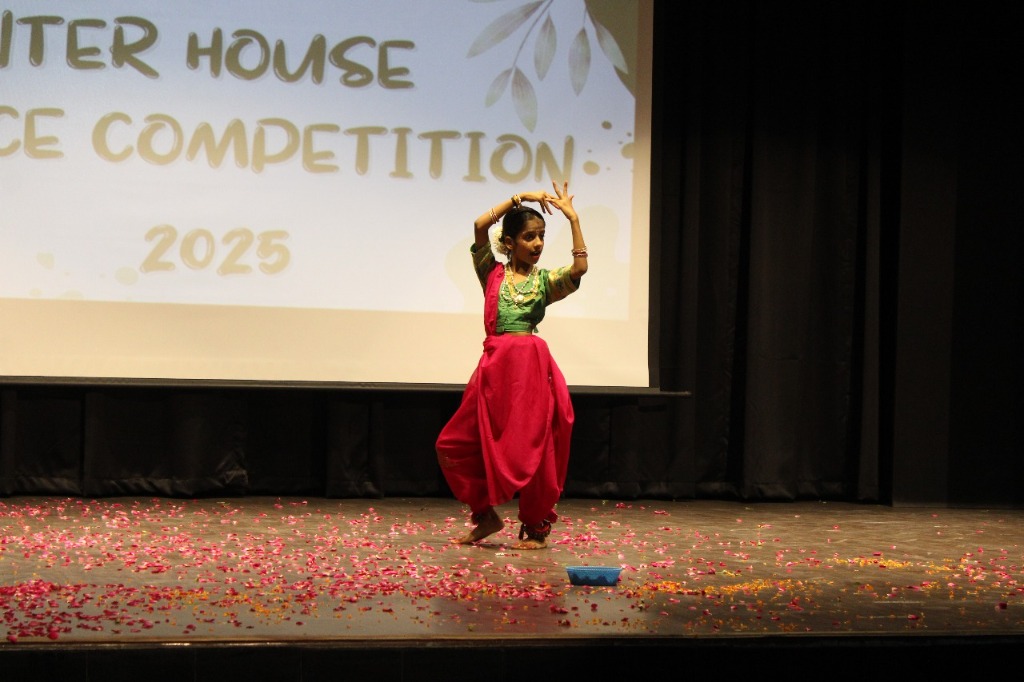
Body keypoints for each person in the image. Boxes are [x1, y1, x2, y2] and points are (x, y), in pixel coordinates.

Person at [436, 180, 588, 550]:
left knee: (534, 448)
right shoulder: (491, 273)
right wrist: (521, 198)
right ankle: (485, 514)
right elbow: (479, 226)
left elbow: (579, 268)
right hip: (494, 371)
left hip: (530, 371)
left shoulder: (544, 282)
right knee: (453, 444)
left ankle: (536, 527)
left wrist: (572, 219)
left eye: (542, 236)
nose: (537, 244)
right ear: (509, 241)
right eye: (529, 237)